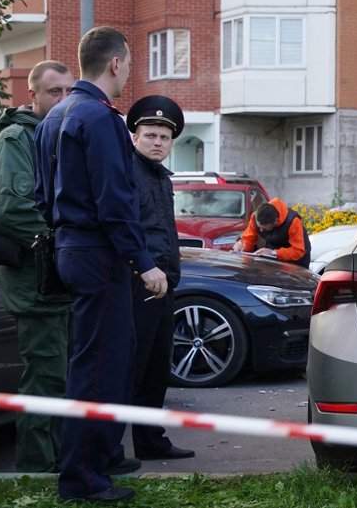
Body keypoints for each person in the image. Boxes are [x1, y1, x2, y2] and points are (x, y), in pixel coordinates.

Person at [34, 26, 168, 504]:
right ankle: (82, 479)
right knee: (98, 369)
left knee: (98, 359)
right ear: (115, 63)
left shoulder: (54, 117)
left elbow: (41, 196)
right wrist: (144, 262)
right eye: (129, 62)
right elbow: (115, 202)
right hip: (98, 255)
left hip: (71, 248)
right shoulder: (100, 119)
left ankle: (101, 460)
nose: (130, 70)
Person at [0, 60, 74, 473]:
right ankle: (37, 471)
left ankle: (62, 462)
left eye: (67, 92)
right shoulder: (15, 140)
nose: (62, 99)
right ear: (32, 96)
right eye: (53, 92)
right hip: (35, 281)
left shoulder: (56, 136)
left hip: (59, 280)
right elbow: (11, 208)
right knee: (46, 378)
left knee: (64, 377)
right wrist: (64, 244)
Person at [125, 95, 195, 461]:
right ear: (135, 137)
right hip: (137, 285)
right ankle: (112, 449)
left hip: (164, 284)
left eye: (164, 138)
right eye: (150, 134)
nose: (157, 142)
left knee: (156, 369)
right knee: (131, 370)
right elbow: (129, 230)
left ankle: (151, 441)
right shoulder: (128, 172)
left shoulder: (162, 178)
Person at [232, 198, 312, 268]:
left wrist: (273, 252)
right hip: (273, 256)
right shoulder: (255, 217)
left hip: (298, 261)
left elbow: (298, 251)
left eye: (264, 228)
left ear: (276, 222)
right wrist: (242, 246)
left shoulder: (293, 222)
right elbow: (248, 238)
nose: (261, 230)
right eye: (259, 226)